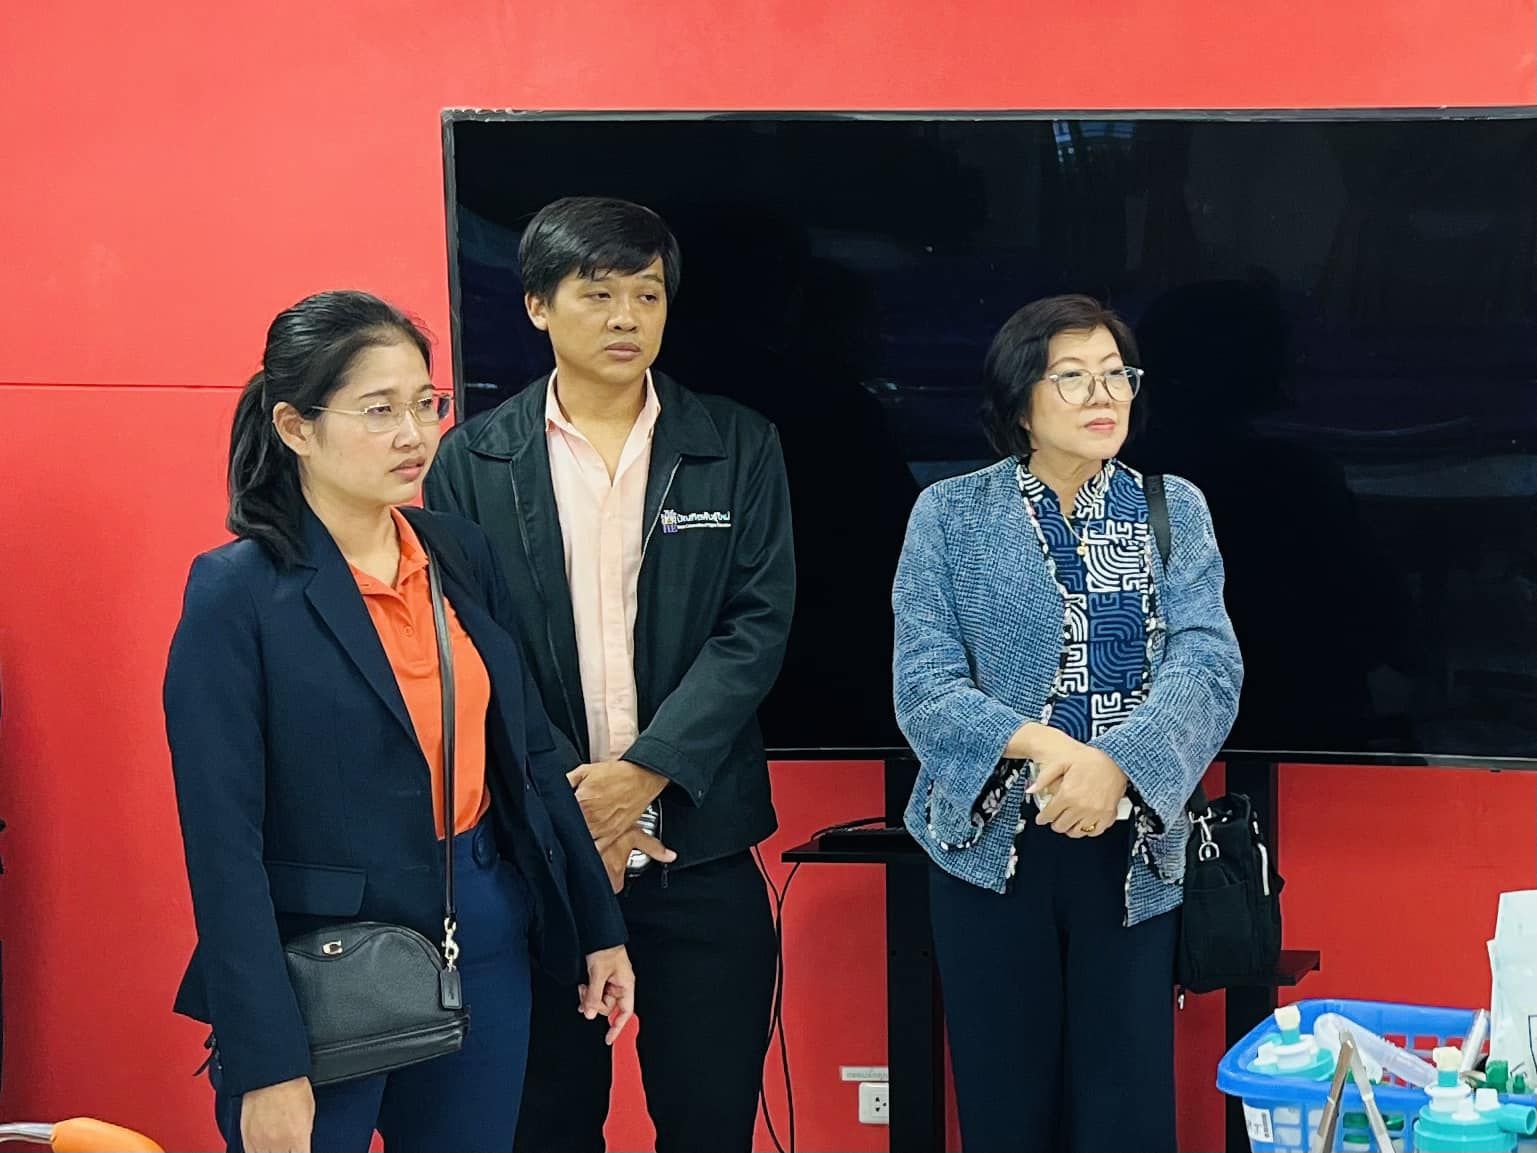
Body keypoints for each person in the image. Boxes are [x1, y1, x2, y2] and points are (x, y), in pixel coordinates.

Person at [164, 290, 635, 1153]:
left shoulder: (457, 552)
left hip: (480, 931)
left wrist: (598, 926)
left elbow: (531, 755)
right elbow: (222, 846)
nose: (414, 434)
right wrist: (266, 1060)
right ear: (296, 427)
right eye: (379, 410)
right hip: (324, 965)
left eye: (426, 404)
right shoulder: (237, 592)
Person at [426, 197, 796, 1153]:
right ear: (538, 306)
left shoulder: (736, 444)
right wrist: (575, 803)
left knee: (709, 1123)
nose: (627, 316)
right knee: (544, 1126)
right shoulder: (473, 459)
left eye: (647, 293)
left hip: (699, 851)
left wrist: (643, 774)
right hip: (540, 862)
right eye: (597, 294)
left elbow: (754, 627)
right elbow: (474, 640)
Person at [892, 294, 1243, 1152]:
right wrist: (1048, 747)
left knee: (1125, 1110)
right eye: (1073, 377)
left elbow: (1207, 665)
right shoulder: (949, 513)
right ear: (1020, 402)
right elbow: (924, 685)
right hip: (987, 849)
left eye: (1117, 374)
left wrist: (1115, 764)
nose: (1103, 395)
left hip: (1133, 847)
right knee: (1005, 1108)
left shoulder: (1171, 506)